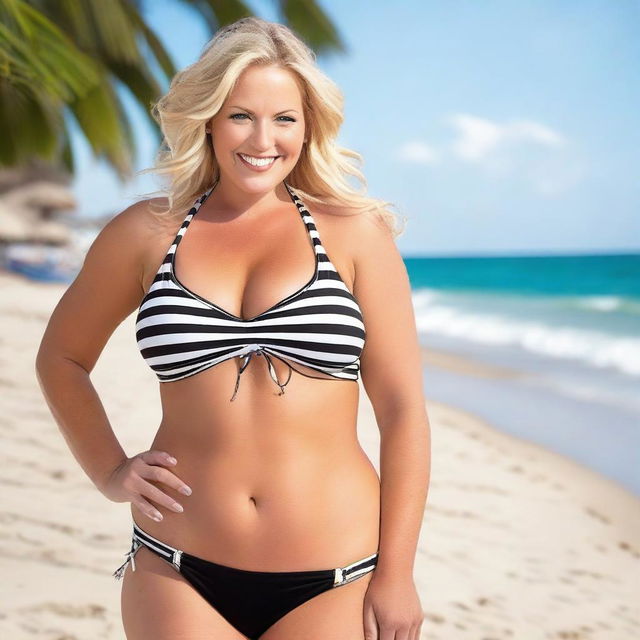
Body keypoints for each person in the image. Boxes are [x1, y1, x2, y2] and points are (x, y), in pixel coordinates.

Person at [35, 16, 431, 640]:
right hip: (176, 569)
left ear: (309, 127)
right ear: (209, 119)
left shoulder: (355, 235)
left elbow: (403, 409)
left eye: (285, 119)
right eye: (241, 114)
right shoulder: (146, 232)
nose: (263, 138)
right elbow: (60, 357)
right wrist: (110, 471)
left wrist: (398, 573)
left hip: (337, 576)